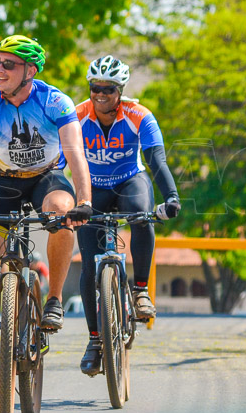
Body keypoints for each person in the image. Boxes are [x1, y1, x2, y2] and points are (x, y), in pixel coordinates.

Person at [0, 35, 92, 404]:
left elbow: (75, 153)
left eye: (8, 64)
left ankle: (55, 297)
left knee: (61, 212)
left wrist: (85, 200)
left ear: (31, 70)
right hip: (4, 182)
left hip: (46, 177)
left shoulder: (54, 101)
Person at [75, 55, 180, 377]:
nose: (100, 94)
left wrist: (172, 196)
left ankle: (140, 290)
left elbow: (156, 161)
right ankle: (94, 341)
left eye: (108, 88)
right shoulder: (77, 116)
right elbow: (58, 157)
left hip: (129, 181)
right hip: (92, 188)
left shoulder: (139, 116)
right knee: (90, 266)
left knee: (141, 217)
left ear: (120, 91)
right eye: (95, 88)